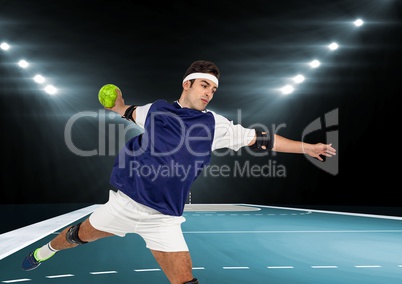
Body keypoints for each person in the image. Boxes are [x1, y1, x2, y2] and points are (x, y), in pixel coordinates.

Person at [21, 60, 336, 283]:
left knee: (184, 280)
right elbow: (128, 112)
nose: (209, 93)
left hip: (165, 218)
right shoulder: (156, 109)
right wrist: (117, 106)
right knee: (76, 237)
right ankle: (45, 251)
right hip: (124, 203)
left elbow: (263, 139)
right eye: (204, 85)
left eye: (213, 89)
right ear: (188, 83)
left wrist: (307, 148)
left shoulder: (215, 124)